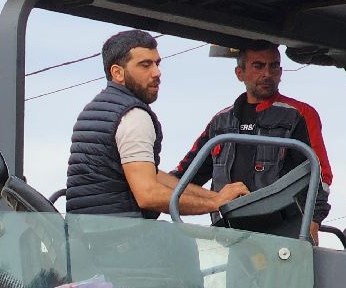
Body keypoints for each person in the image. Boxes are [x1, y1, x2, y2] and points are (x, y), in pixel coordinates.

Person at [67, 29, 249, 218]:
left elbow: (150, 174)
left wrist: (215, 196)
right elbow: (148, 195)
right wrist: (214, 203)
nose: (157, 72)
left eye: (157, 63)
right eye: (145, 65)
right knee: (185, 245)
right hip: (120, 236)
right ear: (117, 72)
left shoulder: (97, 109)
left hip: (86, 232)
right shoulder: (133, 116)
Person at [171, 40, 332, 241]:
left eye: (273, 66)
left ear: (281, 72)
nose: (267, 73)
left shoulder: (299, 115)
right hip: (229, 235)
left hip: (280, 235)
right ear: (240, 73)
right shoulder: (220, 122)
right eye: (258, 66)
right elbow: (185, 176)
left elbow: (319, 174)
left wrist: (313, 220)